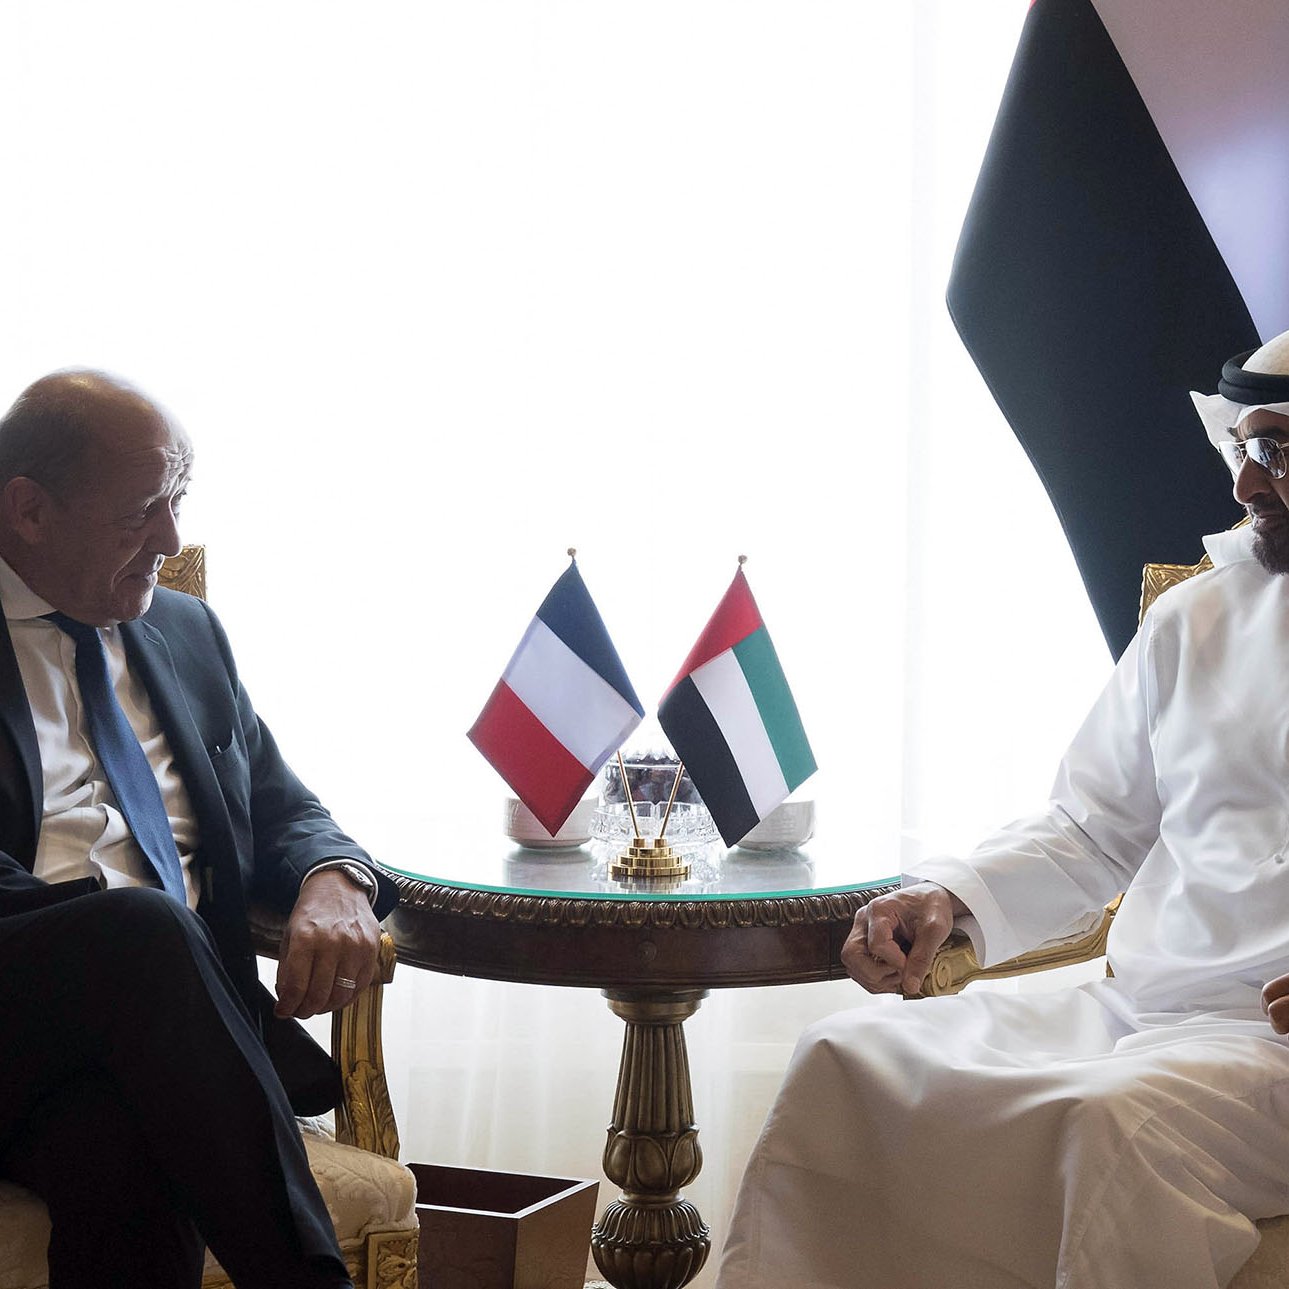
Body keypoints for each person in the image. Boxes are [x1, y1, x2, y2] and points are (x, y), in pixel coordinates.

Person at [715, 328, 1289, 1289]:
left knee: (1109, 1124)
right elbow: (1090, 826)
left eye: (1274, 450)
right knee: (846, 1057)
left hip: (1270, 1049)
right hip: (1138, 1011)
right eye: (1242, 445)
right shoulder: (1193, 619)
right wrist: (948, 897)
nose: (1244, 483)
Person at [0, 370, 400, 1288]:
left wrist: (334, 877)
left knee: (120, 1150)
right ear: (29, 510)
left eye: (177, 500)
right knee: (142, 928)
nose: (172, 539)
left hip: (151, 1050)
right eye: (141, 511)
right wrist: (120, 939)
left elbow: (285, 805)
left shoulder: (186, 632)